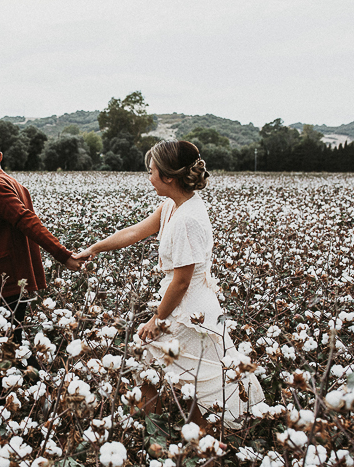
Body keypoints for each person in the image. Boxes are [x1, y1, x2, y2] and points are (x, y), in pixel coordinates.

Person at [75, 140, 263, 428]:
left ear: (168, 176)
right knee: (188, 378)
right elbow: (136, 231)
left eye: (151, 171)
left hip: (188, 311)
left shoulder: (186, 219)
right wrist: (95, 248)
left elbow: (182, 281)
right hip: (192, 305)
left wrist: (157, 320)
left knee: (155, 362)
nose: (149, 177)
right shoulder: (172, 206)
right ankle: (174, 434)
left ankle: (160, 433)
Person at [0, 131, 83, 394]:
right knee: (10, 344)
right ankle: (43, 391)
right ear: (0, 155)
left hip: (1, 284)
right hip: (12, 283)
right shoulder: (14, 183)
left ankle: (7, 400)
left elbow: (27, 222)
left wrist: (63, 255)